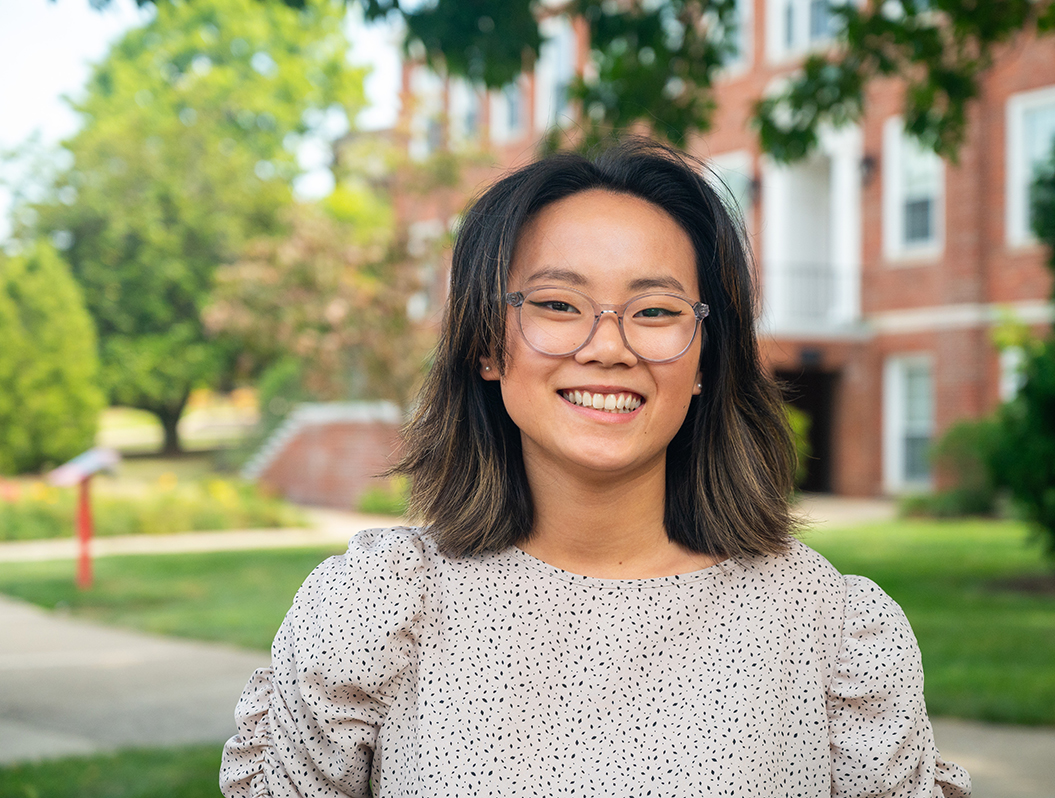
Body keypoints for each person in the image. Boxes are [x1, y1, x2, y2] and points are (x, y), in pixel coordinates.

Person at [220, 138, 971, 798]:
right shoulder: (375, 612)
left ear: (705, 357)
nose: (608, 346)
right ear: (487, 344)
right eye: (558, 304)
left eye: (653, 311)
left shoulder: (830, 631)